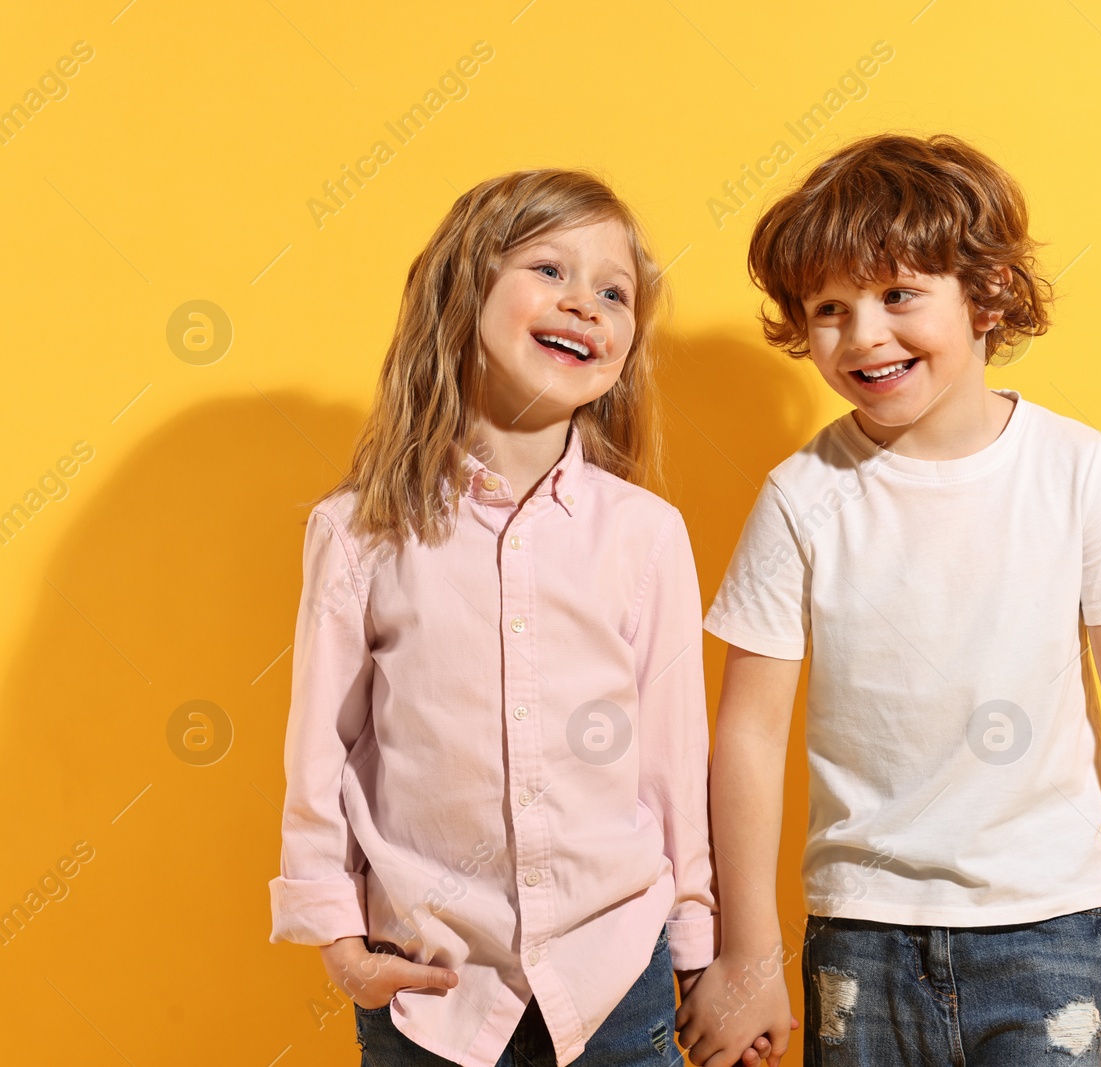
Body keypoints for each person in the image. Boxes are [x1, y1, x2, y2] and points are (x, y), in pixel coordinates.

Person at [675, 133, 1101, 1067]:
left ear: (988, 293)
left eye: (898, 294)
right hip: (860, 934)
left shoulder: (1077, 470)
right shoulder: (802, 495)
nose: (863, 334)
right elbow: (747, 736)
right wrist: (751, 950)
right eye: (829, 308)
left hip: (1046, 925)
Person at [267, 169, 772, 1067]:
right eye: (550, 270)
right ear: (463, 292)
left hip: (619, 976)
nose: (585, 304)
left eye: (613, 293)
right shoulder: (358, 532)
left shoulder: (646, 535)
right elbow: (321, 752)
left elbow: (669, 761)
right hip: (433, 991)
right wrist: (340, 943)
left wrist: (699, 954)